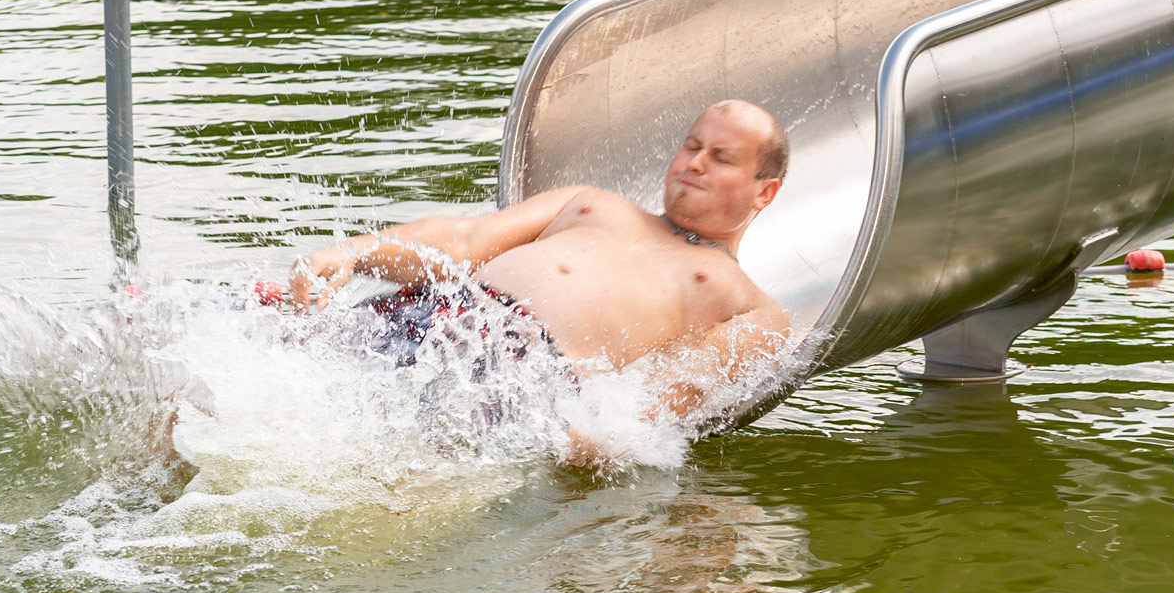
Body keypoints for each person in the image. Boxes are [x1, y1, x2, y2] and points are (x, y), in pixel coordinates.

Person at [284, 100, 794, 439]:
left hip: (515, 371)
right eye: (692, 145)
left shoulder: (750, 306)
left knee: (388, 474)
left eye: (721, 157)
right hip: (429, 310)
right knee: (273, 371)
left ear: (764, 191)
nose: (695, 162)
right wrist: (354, 252)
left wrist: (590, 439)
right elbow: (463, 242)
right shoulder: (592, 201)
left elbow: (666, 393)